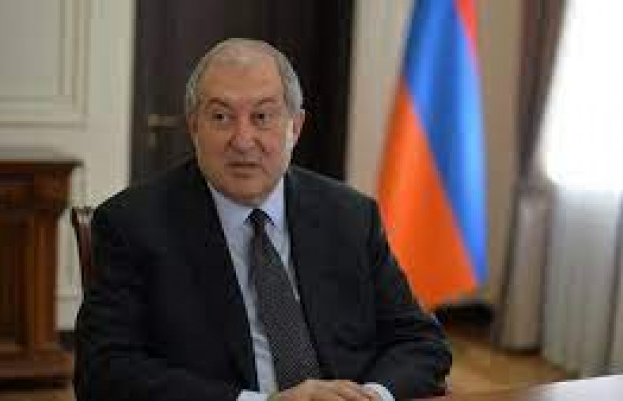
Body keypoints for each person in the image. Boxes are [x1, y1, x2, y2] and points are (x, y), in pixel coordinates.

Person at [74, 38, 451, 401]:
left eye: (262, 117)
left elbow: (420, 341)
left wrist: (369, 397)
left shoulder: (349, 215)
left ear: (295, 127)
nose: (242, 140)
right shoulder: (133, 225)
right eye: (221, 117)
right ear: (194, 127)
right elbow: (104, 372)